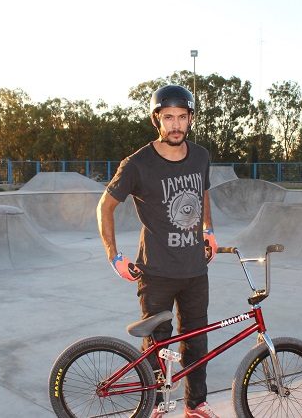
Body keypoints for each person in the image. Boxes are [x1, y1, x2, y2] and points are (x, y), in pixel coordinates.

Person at [96, 84, 219, 418]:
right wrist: (114, 255)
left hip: (195, 270)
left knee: (196, 341)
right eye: (168, 118)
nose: (176, 125)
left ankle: (196, 405)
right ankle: (156, 405)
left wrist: (208, 230)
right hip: (156, 272)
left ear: (190, 118)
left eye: (182, 117)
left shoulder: (201, 156)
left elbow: (203, 192)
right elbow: (105, 207)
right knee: (157, 345)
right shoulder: (137, 164)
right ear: (157, 120)